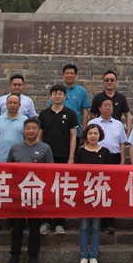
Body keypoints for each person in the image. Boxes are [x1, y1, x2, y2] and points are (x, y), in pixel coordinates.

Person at [6, 117, 52, 263]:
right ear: (23, 131)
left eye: (34, 128)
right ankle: (14, 257)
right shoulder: (15, 148)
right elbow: (9, 169)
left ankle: (33, 256)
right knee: (17, 227)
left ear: (38, 130)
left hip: (36, 194)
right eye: (28, 128)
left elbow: (50, 171)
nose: (31, 130)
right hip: (18, 194)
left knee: (34, 227)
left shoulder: (45, 148)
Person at [37, 84, 78, 234]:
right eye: (54, 93)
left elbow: (74, 137)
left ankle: (60, 221)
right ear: (50, 96)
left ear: (65, 96)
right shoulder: (44, 114)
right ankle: (46, 221)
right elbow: (39, 136)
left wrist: (71, 157)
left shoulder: (71, 114)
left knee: (61, 189)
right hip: (46, 157)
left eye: (60, 93)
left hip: (64, 156)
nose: (57, 95)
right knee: (46, 189)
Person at [0, 93, 27, 234]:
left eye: (15, 103)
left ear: (20, 105)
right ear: (6, 104)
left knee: (16, 192)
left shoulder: (25, 120)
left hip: (18, 161)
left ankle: (15, 221)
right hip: (0, 159)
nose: (13, 105)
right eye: (10, 102)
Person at [73, 124, 111, 263]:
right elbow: (76, 173)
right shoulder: (80, 152)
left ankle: (93, 257)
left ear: (99, 135)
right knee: (83, 226)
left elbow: (110, 173)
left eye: (95, 133)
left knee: (95, 226)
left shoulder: (105, 152)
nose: (93, 136)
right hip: (84, 193)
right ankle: (84, 257)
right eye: (90, 133)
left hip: (99, 193)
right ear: (86, 135)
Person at [87, 97, 126, 234]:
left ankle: (108, 222)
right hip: (95, 157)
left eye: (110, 106)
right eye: (105, 105)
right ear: (99, 108)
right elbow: (87, 140)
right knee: (94, 189)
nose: (108, 108)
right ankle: (92, 221)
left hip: (113, 158)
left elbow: (122, 143)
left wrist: (122, 160)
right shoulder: (93, 123)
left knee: (110, 191)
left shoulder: (118, 124)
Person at [61, 63, 90, 135]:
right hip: (60, 130)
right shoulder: (58, 90)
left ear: (76, 76)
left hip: (76, 130)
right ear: (63, 75)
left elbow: (84, 112)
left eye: (72, 73)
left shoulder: (82, 91)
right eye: (67, 73)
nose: (69, 75)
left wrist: (84, 130)